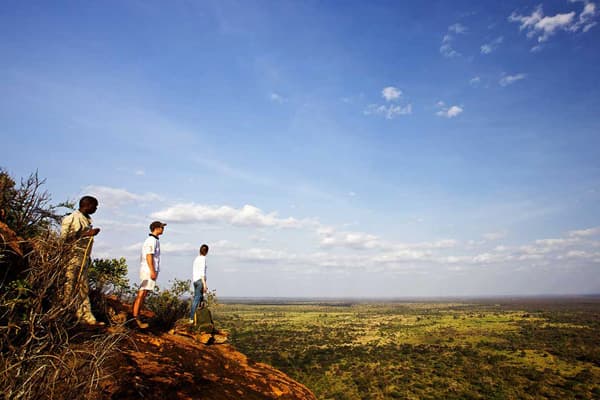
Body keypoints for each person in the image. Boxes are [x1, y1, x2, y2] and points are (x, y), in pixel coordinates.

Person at [61, 196, 103, 326]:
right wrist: (86, 234)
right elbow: (64, 239)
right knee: (69, 287)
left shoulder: (87, 220)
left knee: (83, 289)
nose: (95, 209)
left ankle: (87, 318)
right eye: (94, 206)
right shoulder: (71, 218)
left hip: (83, 258)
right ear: (88, 205)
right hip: (72, 257)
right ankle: (64, 317)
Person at [132, 221, 166, 328]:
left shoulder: (154, 240)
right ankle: (135, 318)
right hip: (147, 270)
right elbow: (149, 256)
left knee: (144, 293)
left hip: (149, 269)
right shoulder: (151, 240)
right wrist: (152, 271)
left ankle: (137, 316)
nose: (163, 229)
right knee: (142, 293)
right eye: (161, 227)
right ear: (156, 228)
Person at [190, 244, 209, 324]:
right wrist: (204, 284)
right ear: (206, 252)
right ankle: (192, 319)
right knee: (197, 299)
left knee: (200, 299)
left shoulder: (196, 259)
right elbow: (202, 272)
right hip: (200, 281)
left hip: (195, 281)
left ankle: (198, 319)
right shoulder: (203, 259)